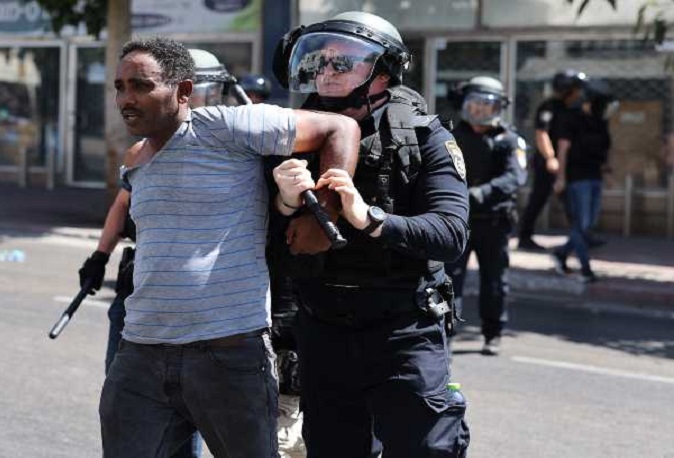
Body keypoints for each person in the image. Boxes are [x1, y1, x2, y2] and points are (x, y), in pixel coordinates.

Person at [97, 36, 360, 457]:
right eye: (120, 86)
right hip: (141, 353)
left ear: (183, 91)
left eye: (142, 86)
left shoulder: (228, 126)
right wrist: (100, 256)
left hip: (228, 353)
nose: (127, 99)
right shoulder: (135, 158)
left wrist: (321, 215)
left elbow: (340, 128)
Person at [270, 11, 470, 457]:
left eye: (343, 62)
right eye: (320, 61)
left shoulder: (423, 137)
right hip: (321, 325)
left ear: (384, 71)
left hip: (402, 325)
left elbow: (451, 233)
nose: (327, 71)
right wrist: (283, 202)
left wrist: (371, 219)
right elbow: (256, 243)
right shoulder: (287, 135)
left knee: (425, 447)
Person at [77, 47, 242, 458]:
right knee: (132, 410)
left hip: (208, 314)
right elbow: (122, 204)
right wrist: (99, 257)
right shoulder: (144, 151)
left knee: (194, 415)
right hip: (139, 301)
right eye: (121, 87)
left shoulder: (234, 149)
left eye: (205, 93)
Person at [444, 76, 528, 356]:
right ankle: (446, 334)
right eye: (475, 104)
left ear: (497, 107)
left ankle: (493, 334)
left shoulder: (509, 140)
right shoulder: (451, 137)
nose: (479, 110)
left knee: (494, 281)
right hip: (458, 221)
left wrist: (481, 193)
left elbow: (515, 177)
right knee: (449, 281)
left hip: (494, 221)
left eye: (486, 105)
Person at [551, 79, 617, 283]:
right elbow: (563, 150)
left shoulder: (599, 121)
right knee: (581, 224)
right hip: (576, 178)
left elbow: (603, 150)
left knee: (588, 223)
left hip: (594, 175)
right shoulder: (570, 117)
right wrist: (560, 178)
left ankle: (561, 253)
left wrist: (607, 172)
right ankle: (586, 268)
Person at [517, 69, 587, 251]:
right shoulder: (548, 107)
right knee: (539, 199)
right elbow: (541, 133)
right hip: (548, 164)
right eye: (576, 89)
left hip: (565, 163)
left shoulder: (569, 109)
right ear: (567, 89)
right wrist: (550, 158)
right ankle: (524, 237)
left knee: (570, 200)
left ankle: (581, 236)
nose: (579, 93)